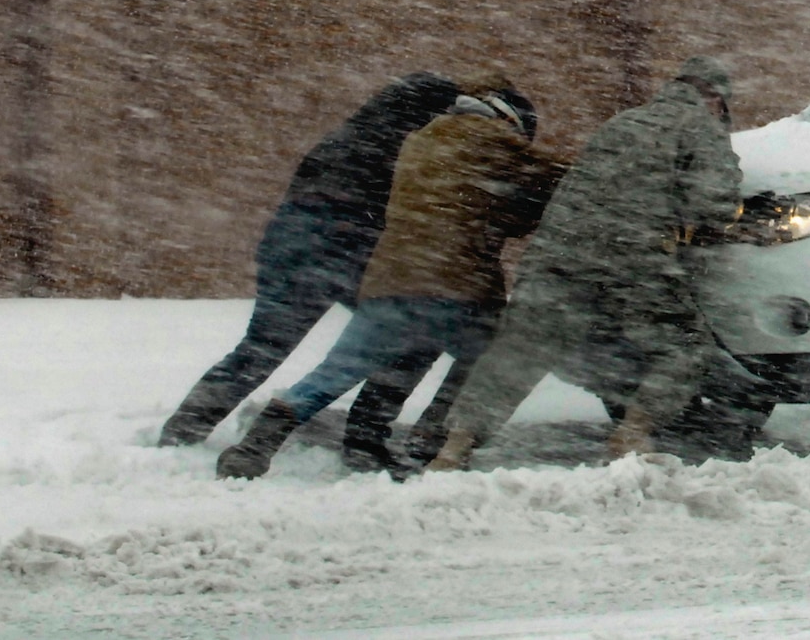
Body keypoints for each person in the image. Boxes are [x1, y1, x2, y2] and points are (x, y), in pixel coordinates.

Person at [216, 81, 565, 480]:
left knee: (343, 370)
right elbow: (551, 175)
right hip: (455, 284)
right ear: (508, 118)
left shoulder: (424, 139)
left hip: (392, 278)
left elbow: (468, 205)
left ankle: (257, 447)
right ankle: (429, 442)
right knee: (490, 359)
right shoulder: (488, 140)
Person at [426, 57, 744, 471]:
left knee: (519, 352)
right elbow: (714, 202)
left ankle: (454, 448)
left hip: (558, 250)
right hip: (630, 252)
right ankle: (633, 433)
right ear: (715, 99)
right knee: (682, 345)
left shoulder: (623, 122)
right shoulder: (700, 127)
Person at [158, 71, 464, 454]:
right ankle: (365, 439)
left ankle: (181, 433)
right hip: (344, 256)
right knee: (413, 335)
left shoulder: (352, 134)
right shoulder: (403, 148)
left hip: (290, 251)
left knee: (260, 349)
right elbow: (390, 215)